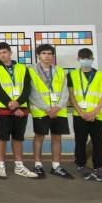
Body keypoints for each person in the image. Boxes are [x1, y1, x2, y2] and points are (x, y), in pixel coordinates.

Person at [0, 43, 38, 179]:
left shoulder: (23, 68)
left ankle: (19, 166)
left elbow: (27, 88)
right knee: (2, 138)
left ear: (10, 53)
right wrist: (12, 106)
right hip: (4, 109)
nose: (2, 55)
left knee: (18, 138)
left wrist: (18, 104)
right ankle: (0, 166)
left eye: (4, 52)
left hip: (21, 109)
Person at [29, 44, 73, 179]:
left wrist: (58, 107)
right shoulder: (31, 71)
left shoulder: (60, 70)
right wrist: (47, 108)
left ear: (53, 56)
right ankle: (38, 165)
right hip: (41, 111)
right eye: (44, 53)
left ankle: (56, 166)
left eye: (49, 53)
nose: (47, 56)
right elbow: (32, 93)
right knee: (39, 137)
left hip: (59, 111)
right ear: (38, 55)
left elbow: (65, 91)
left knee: (57, 138)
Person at [68, 48, 102, 182]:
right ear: (78, 59)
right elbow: (71, 96)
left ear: (92, 59)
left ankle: (98, 167)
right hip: (80, 116)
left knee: (98, 142)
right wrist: (82, 113)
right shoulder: (72, 75)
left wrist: (94, 112)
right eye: (83, 58)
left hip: (98, 116)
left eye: (88, 58)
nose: (85, 61)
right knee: (80, 141)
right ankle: (80, 165)